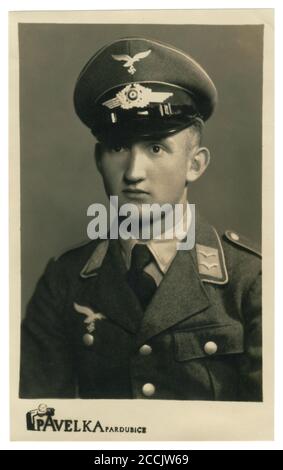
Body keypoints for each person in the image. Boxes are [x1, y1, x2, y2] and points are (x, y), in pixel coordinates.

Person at [20, 37, 262, 401]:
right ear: (99, 160)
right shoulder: (64, 281)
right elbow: (35, 421)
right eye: (119, 148)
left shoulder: (251, 280)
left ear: (194, 165)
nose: (134, 172)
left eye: (155, 147)